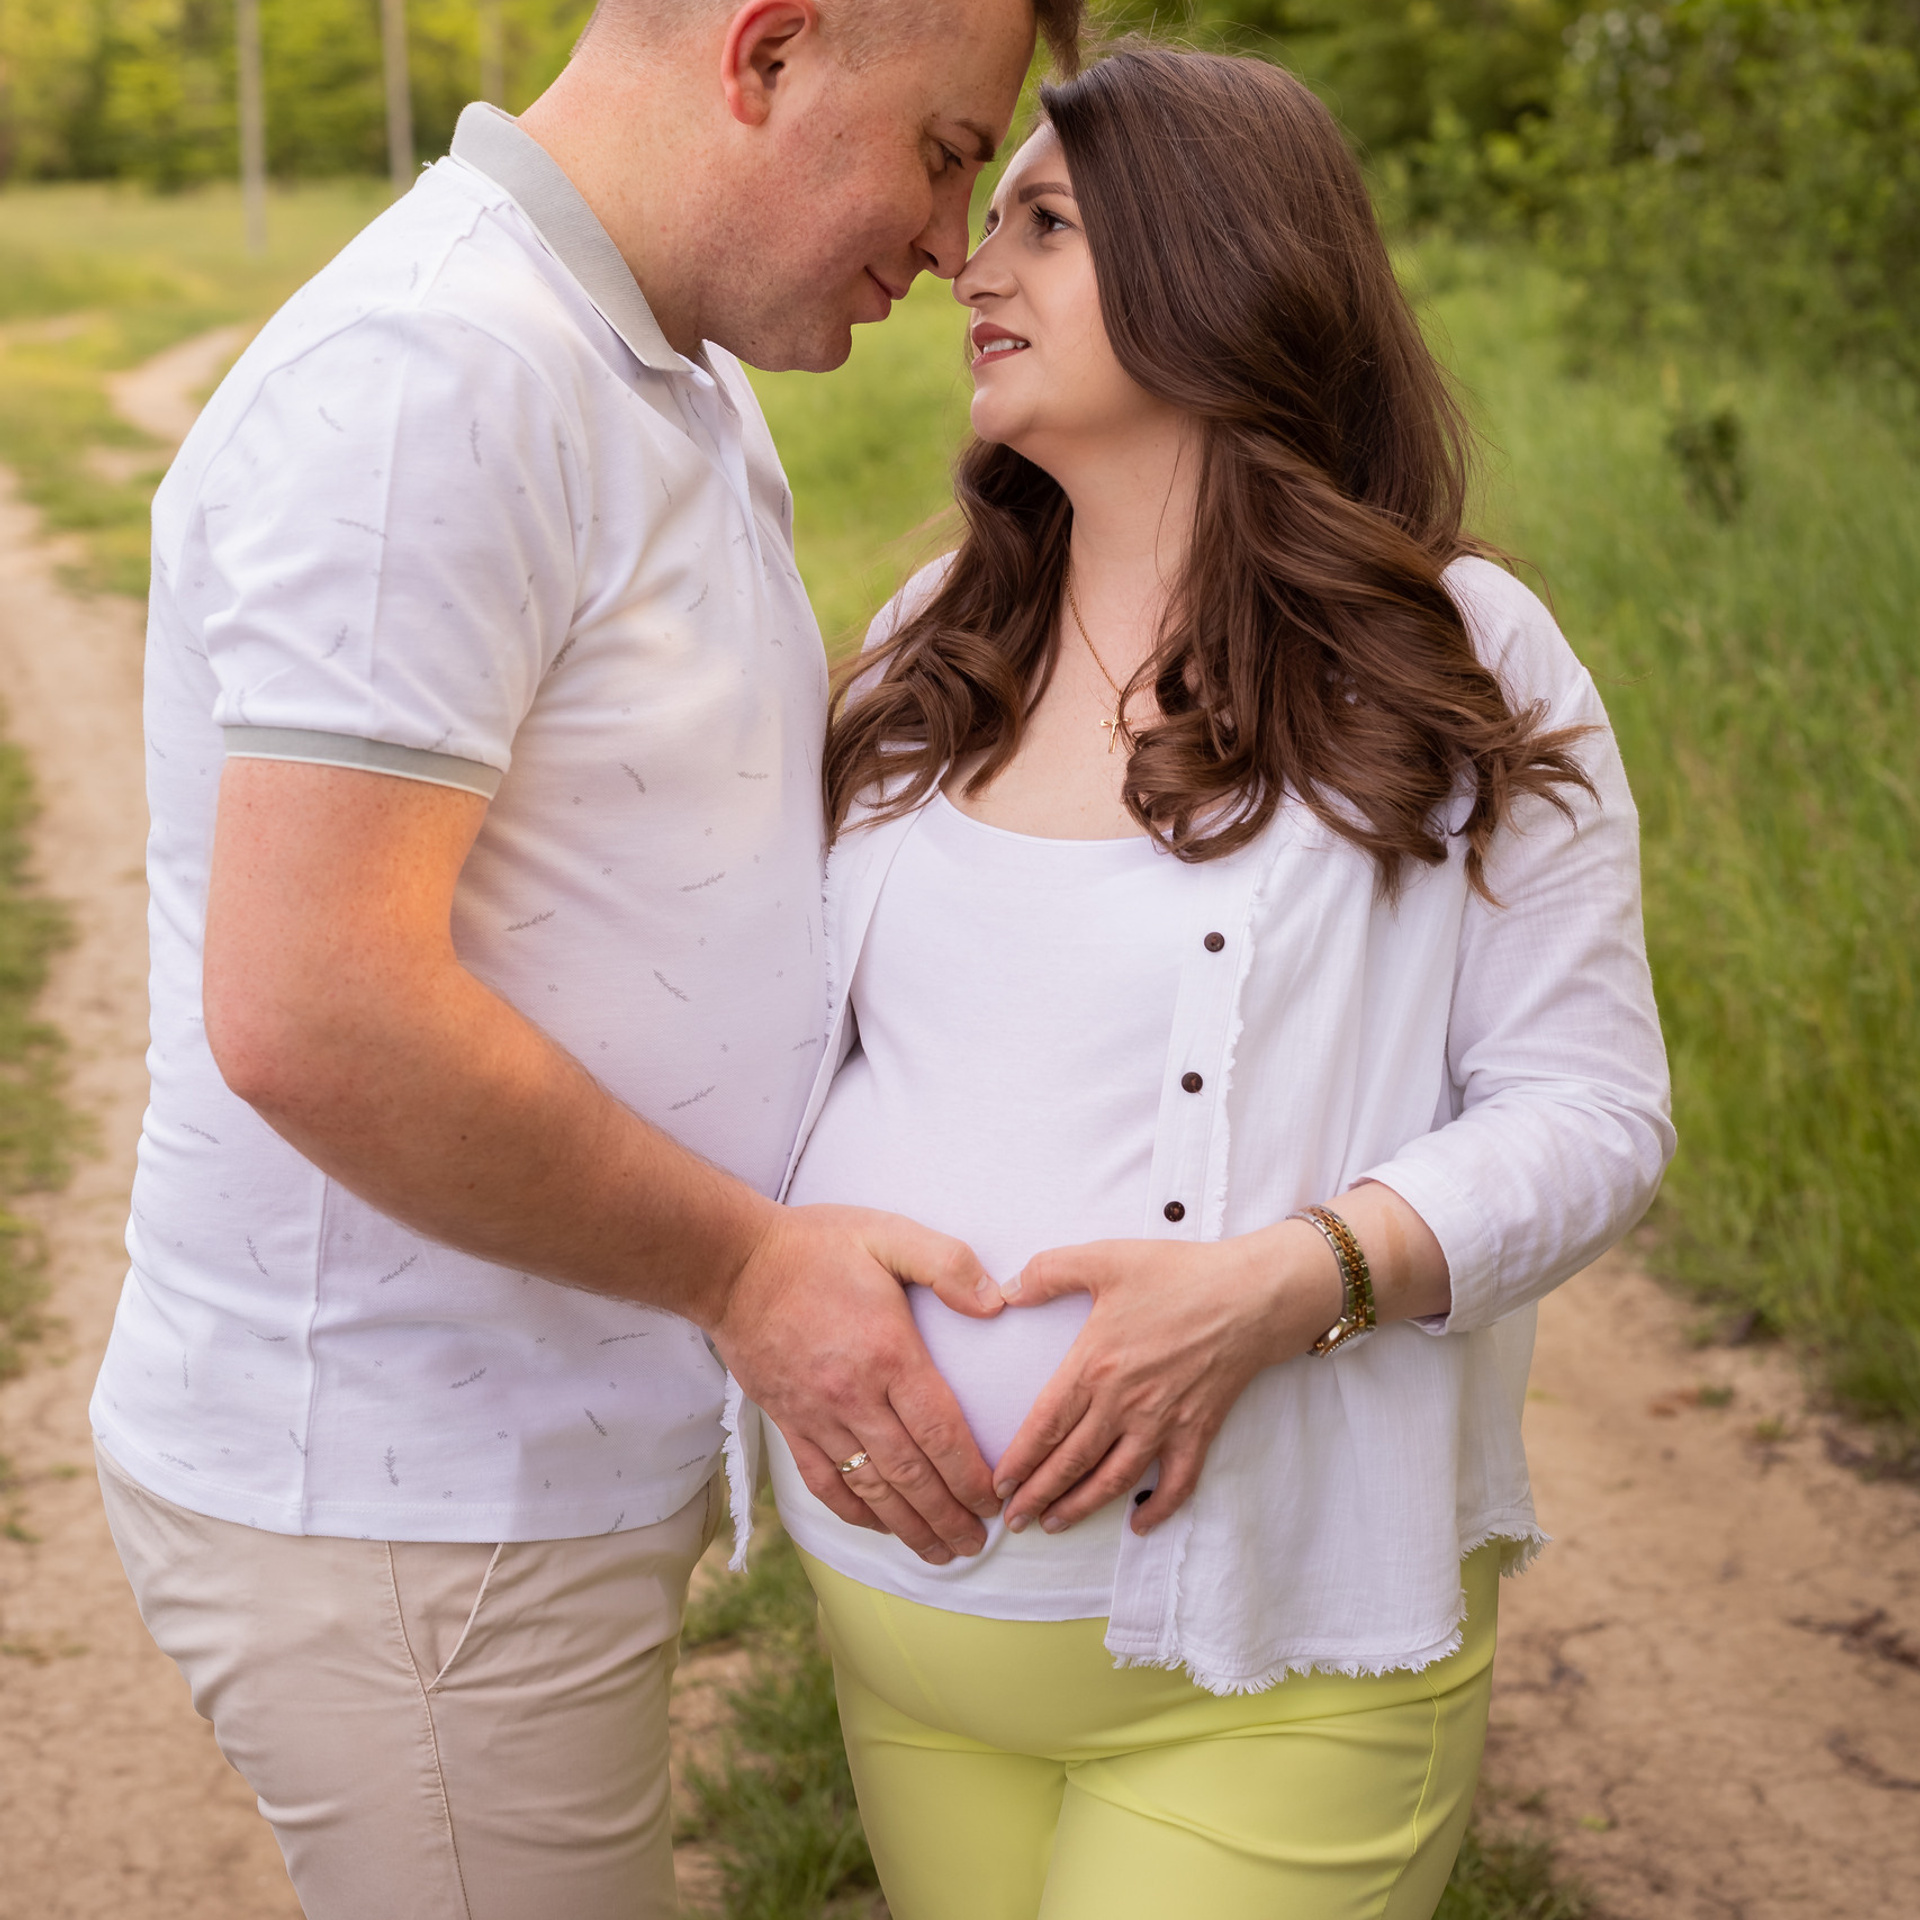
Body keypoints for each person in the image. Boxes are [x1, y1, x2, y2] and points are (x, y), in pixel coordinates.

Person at [88, 4, 1077, 1916]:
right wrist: (745, 1272)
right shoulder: (435, 376)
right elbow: (314, 1010)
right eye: (949, 150)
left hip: (502, 1472)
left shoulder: (658, 371)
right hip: (406, 1501)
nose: (960, 238)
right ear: (767, 56)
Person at [736, 43, 1675, 1920]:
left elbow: (1595, 1115)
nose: (967, 265)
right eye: (982, 213)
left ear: (1217, 266)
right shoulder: (932, 635)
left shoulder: (1450, 651)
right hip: (910, 1639)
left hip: (1264, 1675)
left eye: (1046, 224)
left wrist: (1288, 1280)